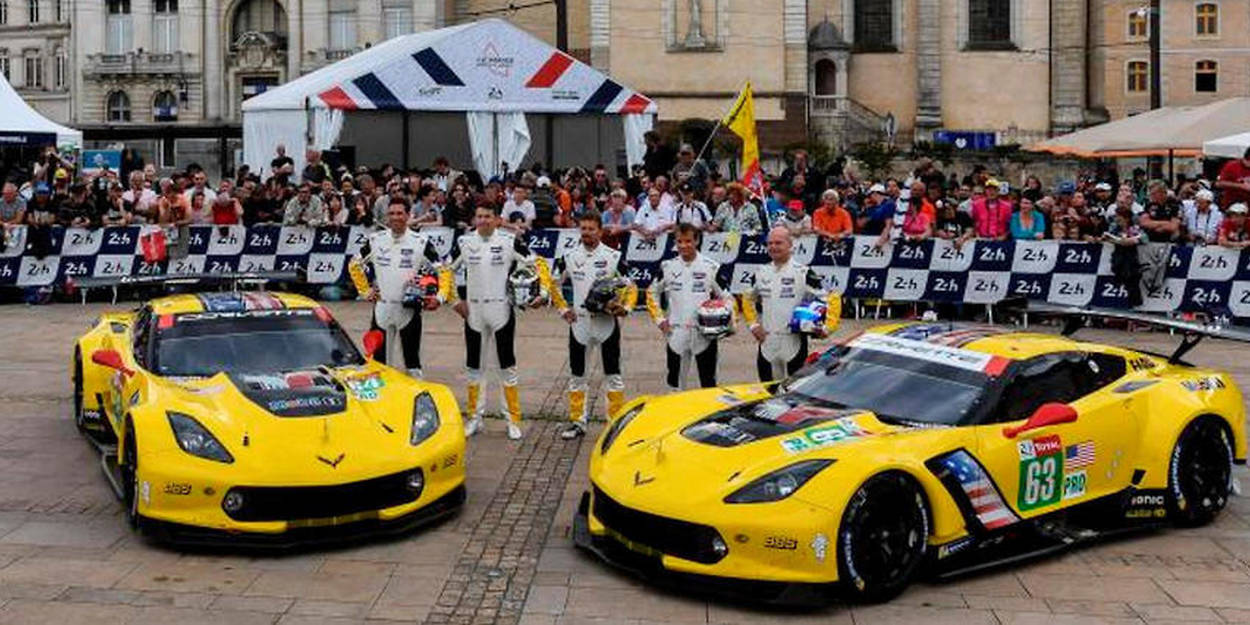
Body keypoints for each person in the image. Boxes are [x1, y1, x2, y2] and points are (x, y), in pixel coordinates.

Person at [441, 204, 551, 440]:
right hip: (474, 312)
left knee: (507, 367)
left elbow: (538, 264)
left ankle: (512, 420)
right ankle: (474, 418)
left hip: (501, 310)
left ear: (497, 219)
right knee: (474, 368)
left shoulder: (509, 241)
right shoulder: (464, 242)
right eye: (479, 216)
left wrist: (542, 294)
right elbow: (445, 270)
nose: (483, 220)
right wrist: (453, 301)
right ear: (475, 218)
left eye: (487, 216)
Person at [548, 210, 637, 439]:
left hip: (606, 324)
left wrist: (625, 308)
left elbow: (631, 286)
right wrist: (563, 309)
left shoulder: (613, 256)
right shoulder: (568, 256)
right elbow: (554, 283)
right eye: (583, 228)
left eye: (591, 229)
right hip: (580, 325)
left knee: (613, 376)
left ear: (600, 231)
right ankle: (578, 421)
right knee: (577, 375)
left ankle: (614, 423)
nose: (587, 233)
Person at [355, 197, 443, 378]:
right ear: (387, 216)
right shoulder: (375, 240)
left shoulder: (421, 242)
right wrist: (364, 290)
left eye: (399, 213)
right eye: (391, 213)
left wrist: (439, 297)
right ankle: (380, 405)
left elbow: (444, 270)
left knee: (413, 366)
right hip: (382, 310)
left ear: (408, 215)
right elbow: (354, 265)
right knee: (377, 366)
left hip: (409, 310)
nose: (395, 217)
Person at [741, 227, 839, 381]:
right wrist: (753, 325)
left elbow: (833, 297)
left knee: (794, 395)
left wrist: (827, 329)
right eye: (770, 243)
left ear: (790, 245)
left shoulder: (804, 273)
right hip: (767, 342)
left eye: (778, 243)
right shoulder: (760, 273)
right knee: (768, 395)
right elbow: (747, 299)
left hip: (794, 343)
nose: (773, 247)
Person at [646, 223, 730, 391]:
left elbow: (728, 298)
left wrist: (726, 324)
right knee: (674, 382)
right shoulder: (667, 267)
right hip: (676, 332)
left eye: (688, 241)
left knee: (708, 383)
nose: (684, 245)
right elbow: (651, 293)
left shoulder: (711, 267)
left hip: (704, 334)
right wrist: (660, 320)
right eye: (679, 241)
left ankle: (708, 416)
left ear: (697, 241)